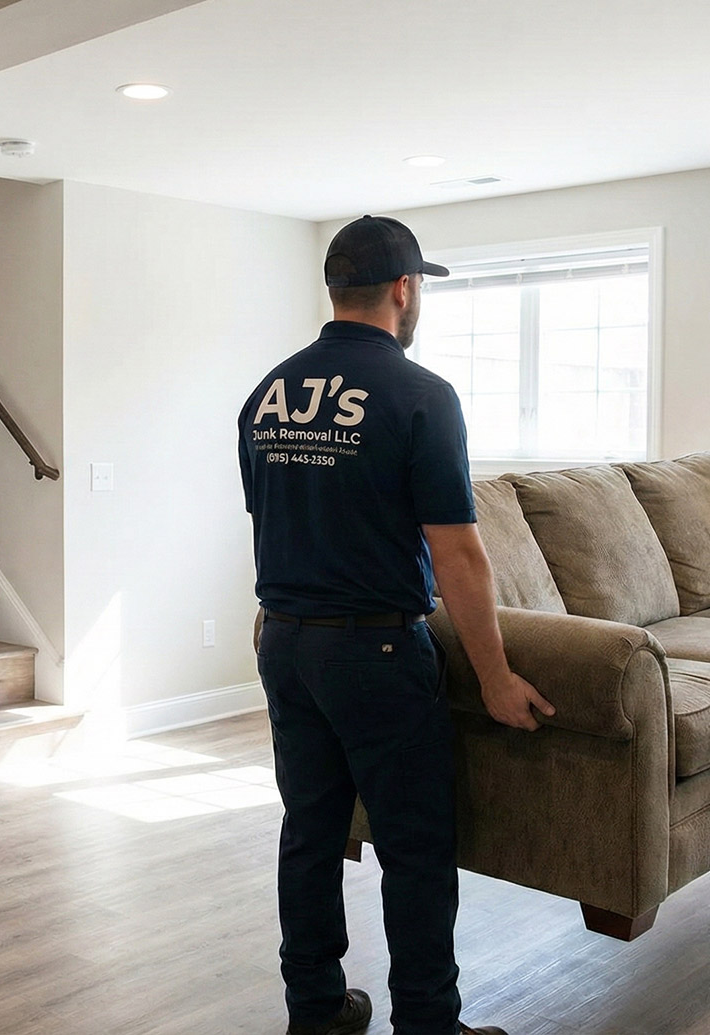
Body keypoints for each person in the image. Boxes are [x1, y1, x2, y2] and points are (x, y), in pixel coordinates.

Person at [238, 215, 550, 1035]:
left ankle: (314, 1010)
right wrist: (494, 676)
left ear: (336, 290)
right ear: (405, 292)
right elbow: (460, 557)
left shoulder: (267, 392)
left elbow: (271, 517)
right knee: (413, 847)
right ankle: (426, 1023)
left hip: (285, 639)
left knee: (310, 832)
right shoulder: (422, 395)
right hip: (375, 648)